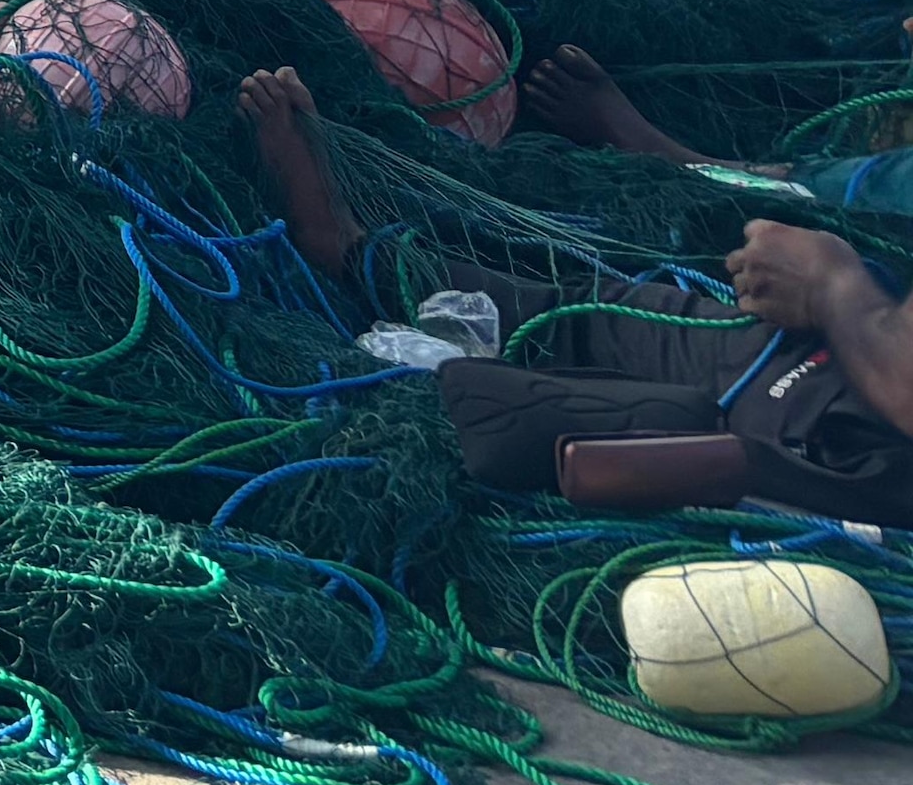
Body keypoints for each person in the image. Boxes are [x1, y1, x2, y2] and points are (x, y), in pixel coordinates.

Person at [241, 60, 913, 508]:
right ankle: (349, 250)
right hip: (839, 367)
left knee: (541, 399)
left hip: (858, 454)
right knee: (595, 312)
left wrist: (832, 283)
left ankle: (349, 258)